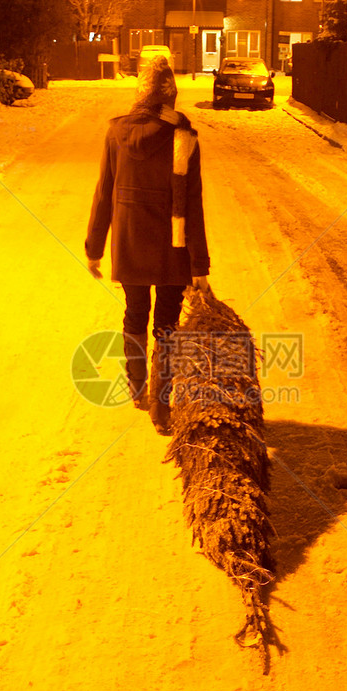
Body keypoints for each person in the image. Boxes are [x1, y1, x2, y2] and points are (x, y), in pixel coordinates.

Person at [85, 55, 210, 435]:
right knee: (168, 323)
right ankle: (162, 402)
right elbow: (192, 203)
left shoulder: (115, 132)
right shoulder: (183, 137)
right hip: (172, 248)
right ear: (171, 96)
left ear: (140, 94)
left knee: (135, 312)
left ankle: (137, 387)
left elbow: (104, 193)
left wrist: (94, 247)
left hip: (130, 241)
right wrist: (199, 265)